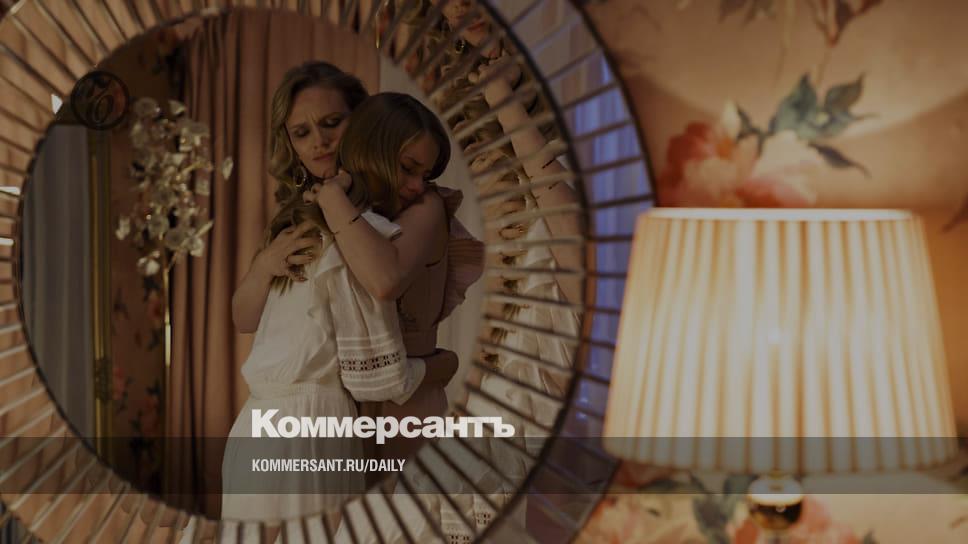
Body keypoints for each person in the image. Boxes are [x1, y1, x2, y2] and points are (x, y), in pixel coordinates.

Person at [219, 64, 465, 542]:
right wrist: (265, 264)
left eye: (333, 123)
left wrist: (437, 366)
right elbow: (244, 317)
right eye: (302, 133)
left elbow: (384, 284)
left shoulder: (403, 211)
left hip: (381, 412)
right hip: (299, 416)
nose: (320, 142)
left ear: (365, 120)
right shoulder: (302, 218)